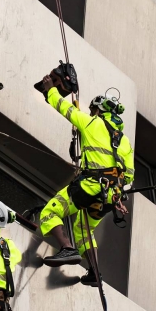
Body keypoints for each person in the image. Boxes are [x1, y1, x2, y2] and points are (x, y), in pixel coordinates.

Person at [37, 73, 135, 285]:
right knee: (83, 229)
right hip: (110, 198)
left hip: (89, 188)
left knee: (50, 212)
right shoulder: (125, 142)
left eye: (93, 110)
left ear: (100, 110)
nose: (91, 113)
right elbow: (129, 175)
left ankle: (67, 248)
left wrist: (50, 90)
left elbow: (67, 110)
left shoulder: (92, 123)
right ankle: (95, 273)